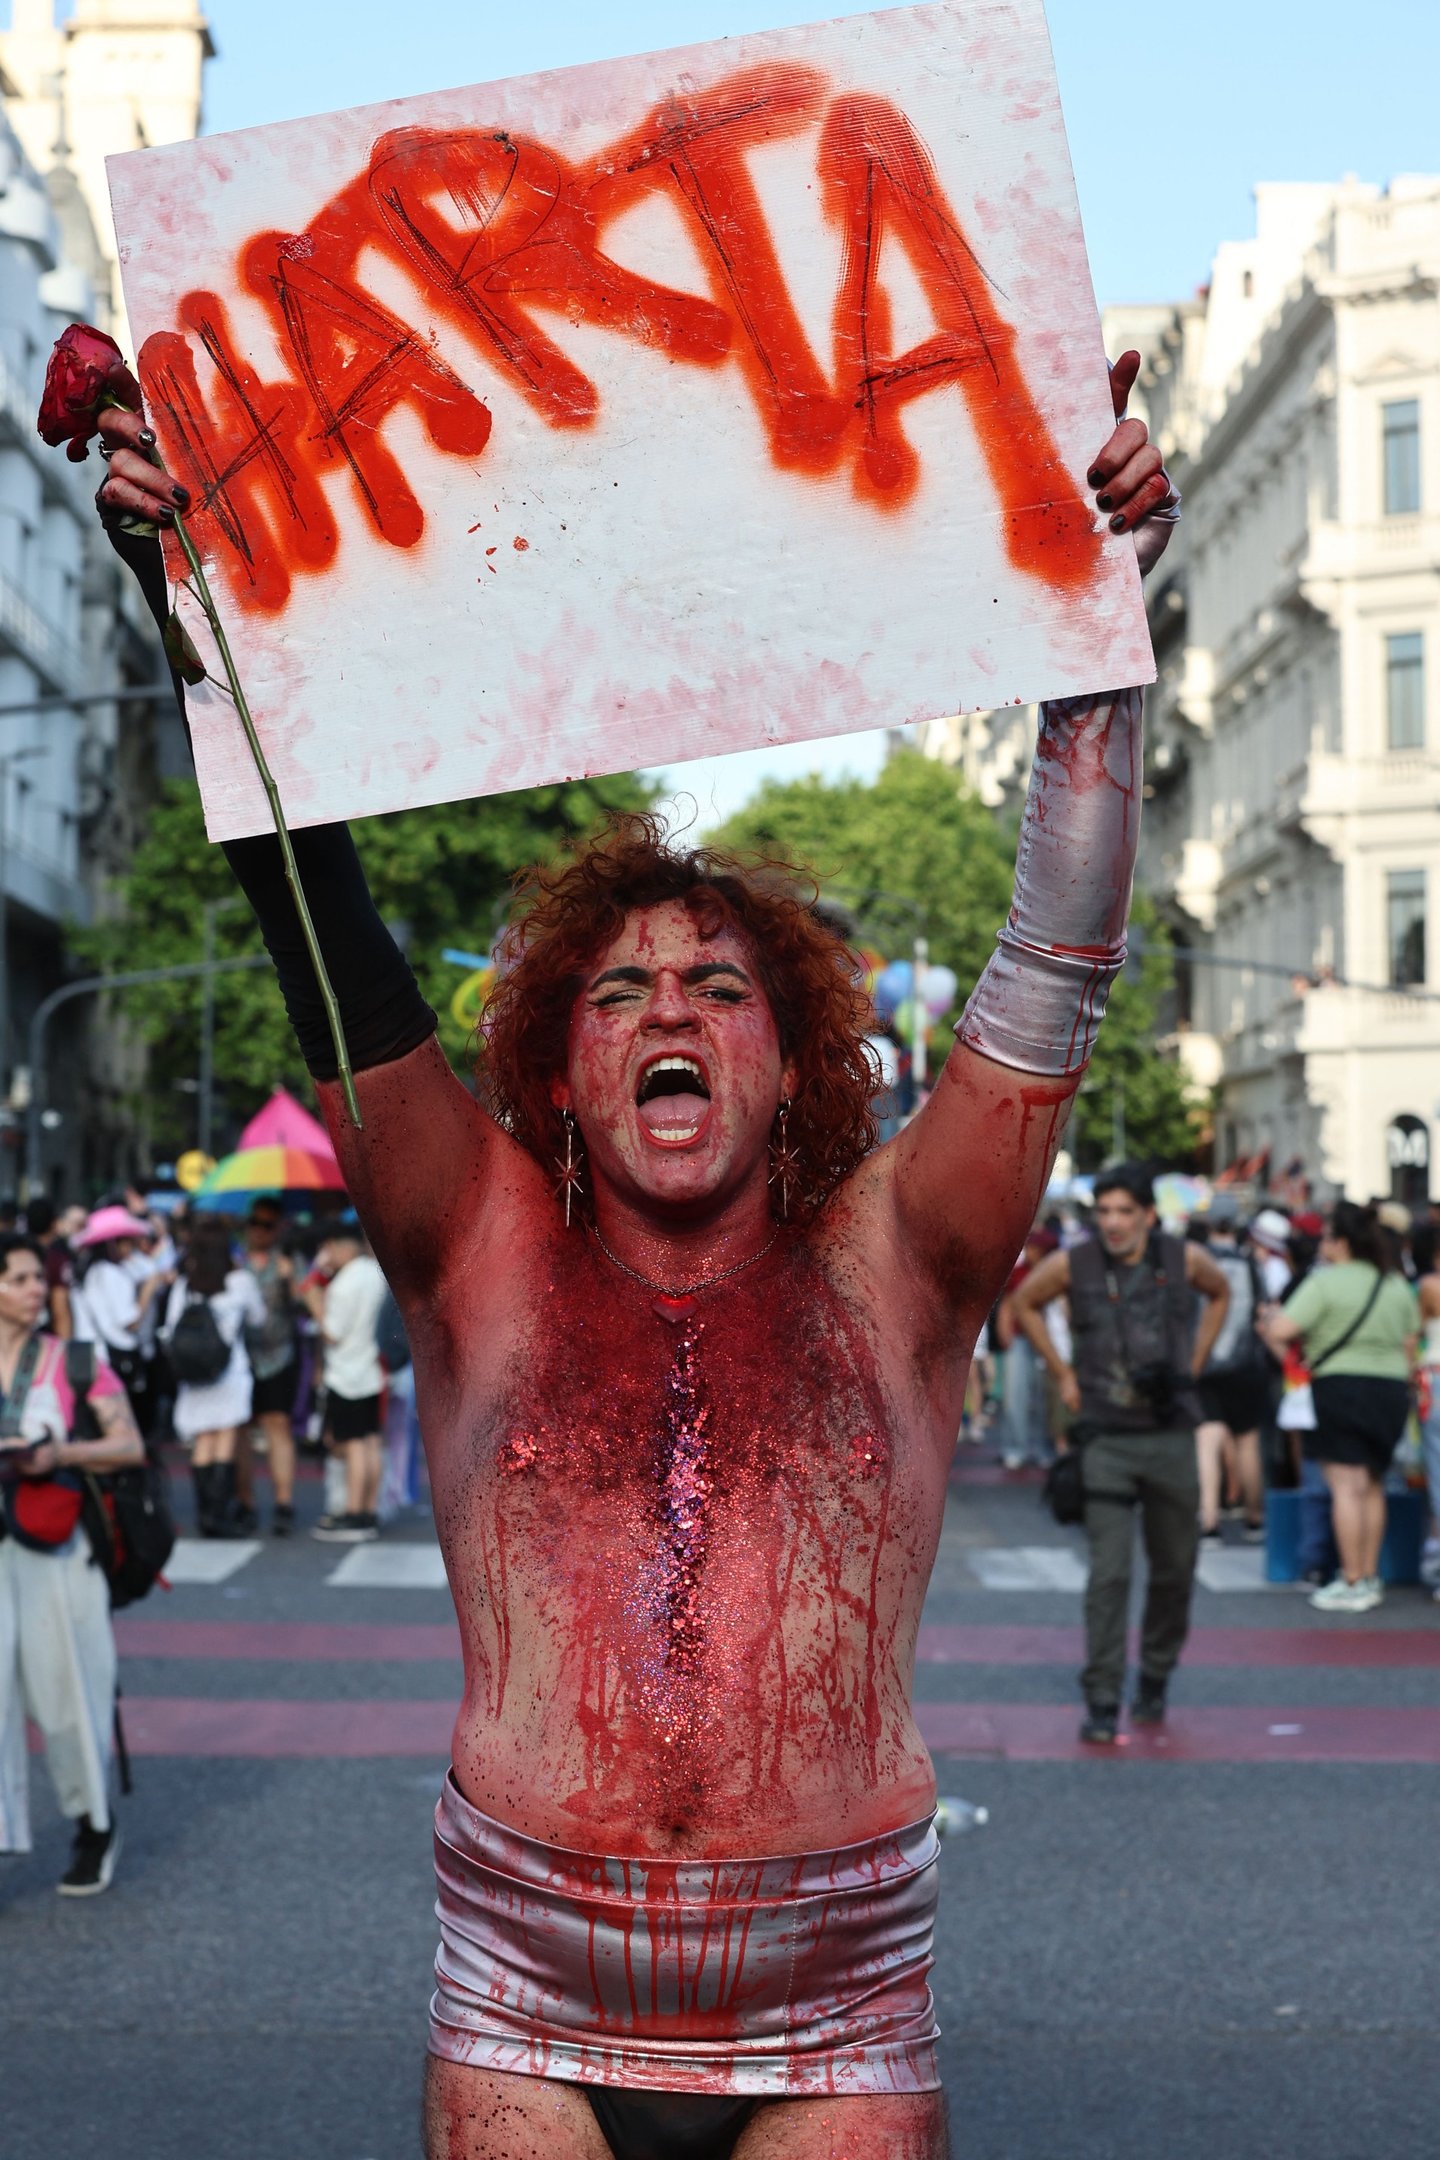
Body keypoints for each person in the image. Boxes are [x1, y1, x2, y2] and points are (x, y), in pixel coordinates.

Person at [96, 347, 1178, 2157]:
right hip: (525, 1977)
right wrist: (188, 590)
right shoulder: (478, 1244)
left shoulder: (904, 1257)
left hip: (838, 1989)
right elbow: (320, 925)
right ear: (562, 1067)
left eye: (716, 987)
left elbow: (1053, 962)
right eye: (618, 990)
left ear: (791, 1053)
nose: (668, 1006)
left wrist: (1091, 631)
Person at [1011, 1166, 1230, 1744]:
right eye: (1104, 1211)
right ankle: (1103, 1696)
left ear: (1147, 1216)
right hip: (1104, 1437)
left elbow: (1221, 1293)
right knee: (1108, 1575)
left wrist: (1195, 1364)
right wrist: (1062, 1373)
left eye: (1123, 1212)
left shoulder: (1183, 1260)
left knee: (1175, 1570)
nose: (1112, 1222)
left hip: (1169, 1433)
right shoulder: (1075, 1264)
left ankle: (1155, 1674)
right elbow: (1025, 1304)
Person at [0, 1233, 144, 1892]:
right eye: (22, 1278)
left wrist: (59, 1456)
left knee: (68, 1696)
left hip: (57, 1548)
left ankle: (94, 1824)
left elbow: (129, 1444)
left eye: (39, 1278)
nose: (38, 1289)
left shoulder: (73, 1360)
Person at [1262, 1200, 1418, 1614]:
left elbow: (1281, 1328)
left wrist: (1289, 1349)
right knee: (1372, 1484)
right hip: (1390, 1391)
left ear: (1341, 1242)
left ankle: (1350, 1579)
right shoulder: (1395, 1283)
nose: (1321, 1244)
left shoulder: (1325, 1283)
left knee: (1345, 1487)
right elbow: (1410, 1342)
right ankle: (1369, 1575)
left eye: (1327, 1237)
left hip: (1340, 1387)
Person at [162, 1218, 265, 1538]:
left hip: (194, 1376)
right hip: (229, 1372)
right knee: (224, 1439)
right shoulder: (240, 1281)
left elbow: (168, 1329)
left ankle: (205, 1515)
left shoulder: (184, 1285)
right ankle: (220, 1516)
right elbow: (258, 1318)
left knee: (202, 1440)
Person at [1193, 1203, 1273, 1542]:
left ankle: (1209, 1520)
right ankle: (1254, 1518)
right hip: (1246, 1365)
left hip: (1205, 1361)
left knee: (1207, 1440)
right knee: (1248, 1441)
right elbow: (1262, 1311)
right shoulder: (1249, 1263)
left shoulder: (1197, 1260)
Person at [304, 1226, 386, 1543]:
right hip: (371, 1370)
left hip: (346, 1374)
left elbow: (332, 1332)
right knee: (370, 1443)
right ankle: (368, 1510)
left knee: (352, 1443)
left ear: (339, 1247)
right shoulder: (374, 1272)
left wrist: (314, 1302)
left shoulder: (343, 1285)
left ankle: (353, 1514)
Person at [69, 1205, 170, 1438]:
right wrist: (149, 1288)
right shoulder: (111, 1274)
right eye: (128, 1242)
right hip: (114, 1361)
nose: (132, 1248)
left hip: (92, 1356)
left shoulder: (89, 1272)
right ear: (113, 1244)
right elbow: (131, 1321)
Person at [238, 1198, 302, 1535]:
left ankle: (283, 1502)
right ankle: (246, 1502)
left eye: (267, 1225)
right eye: (254, 1223)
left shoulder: (288, 1263)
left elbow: (308, 1305)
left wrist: (291, 1281)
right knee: (242, 1430)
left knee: (278, 1424)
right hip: (240, 1358)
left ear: (277, 1228)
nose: (259, 1231)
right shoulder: (234, 1262)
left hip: (279, 1355)